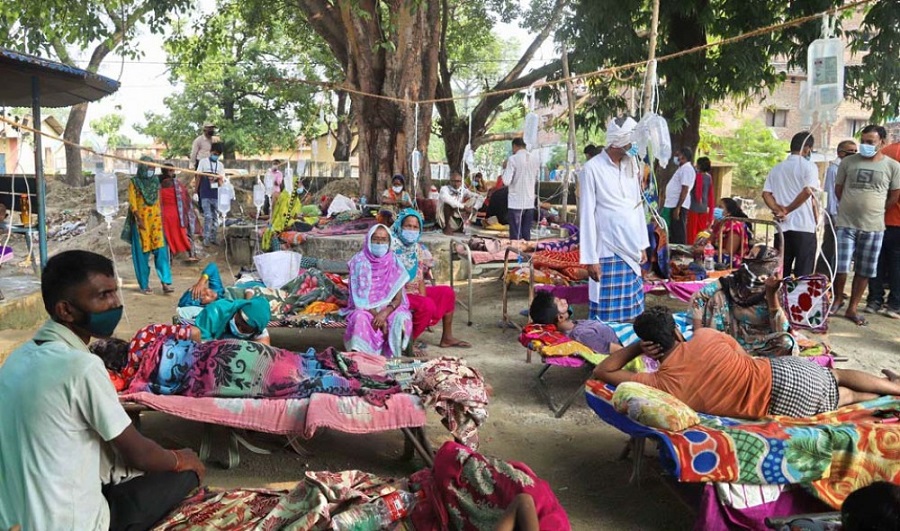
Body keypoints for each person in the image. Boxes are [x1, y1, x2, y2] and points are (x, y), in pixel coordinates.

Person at [0, 250, 204, 531]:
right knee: (182, 472)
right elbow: (139, 455)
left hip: (15, 520)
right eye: (102, 296)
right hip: (67, 524)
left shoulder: (17, 358)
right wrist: (181, 458)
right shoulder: (81, 367)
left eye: (115, 292)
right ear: (65, 310)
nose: (115, 304)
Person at [593, 305, 900, 419]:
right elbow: (743, 357)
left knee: (844, 397)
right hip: (781, 371)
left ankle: (890, 392)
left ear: (650, 348)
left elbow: (602, 370)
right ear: (676, 330)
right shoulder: (707, 336)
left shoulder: (661, 383)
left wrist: (636, 346)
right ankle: (892, 387)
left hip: (778, 402)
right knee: (839, 376)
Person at [578, 117, 650, 322]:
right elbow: (587, 215)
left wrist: (642, 244)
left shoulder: (632, 166)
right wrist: (590, 258)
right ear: (618, 142)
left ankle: (629, 348)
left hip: (632, 247)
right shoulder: (592, 169)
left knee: (633, 310)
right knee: (606, 315)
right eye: (631, 141)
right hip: (606, 249)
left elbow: (638, 206)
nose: (634, 145)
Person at [831, 124, 900, 326]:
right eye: (863, 141)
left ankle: (852, 308)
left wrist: (876, 209)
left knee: (865, 269)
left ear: (882, 142)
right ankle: (837, 298)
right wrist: (852, 205)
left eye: (870, 142)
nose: (865, 145)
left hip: (873, 226)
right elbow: (838, 190)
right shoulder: (848, 162)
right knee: (841, 266)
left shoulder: (892, 166)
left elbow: (895, 195)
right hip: (846, 223)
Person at [690, 245, 795, 357]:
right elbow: (698, 297)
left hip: (762, 344)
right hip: (733, 342)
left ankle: (756, 366)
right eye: (748, 254)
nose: (746, 258)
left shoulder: (777, 288)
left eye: (752, 256)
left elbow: (781, 330)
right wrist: (698, 335)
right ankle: (718, 353)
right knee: (717, 297)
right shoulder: (734, 281)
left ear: (763, 264)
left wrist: (771, 295)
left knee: (787, 342)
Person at [391, 208, 470, 352]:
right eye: (408, 226)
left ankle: (447, 337)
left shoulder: (417, 248)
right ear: (400, 226)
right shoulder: (391, 248)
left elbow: (420, 277)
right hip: (396, 295)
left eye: (415, 227)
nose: (412, 230)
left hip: (414, 291)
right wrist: (422, 301)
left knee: (447, 292)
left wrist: (422, 296)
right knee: (426, 305)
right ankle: (407, 343)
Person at [343, 224, 412, 358]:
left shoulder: (394, 262)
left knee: (400, 319)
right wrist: (377, 316)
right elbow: (360, 299)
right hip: (366, 308)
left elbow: (397, 299)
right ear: (369, 240)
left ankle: (392, 357)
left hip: (390, 308)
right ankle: (361, 358)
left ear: (389, 242)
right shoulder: (359, 261)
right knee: (359, 317)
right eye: (375, 239)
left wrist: (384, 314)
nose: (380, 242)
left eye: (384, 239)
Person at [763, 131, 820, 278]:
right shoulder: (809, 167)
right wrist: (787, 209)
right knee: (803, 272)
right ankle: (798, 300)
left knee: (781, 271)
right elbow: (808, 191)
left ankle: (779, 300)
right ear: (807, 148)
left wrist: (777, 210)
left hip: (782, 227)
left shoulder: (777, 168)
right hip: (803, 226)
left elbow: (766, 194)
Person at [126, 156, 174, 295]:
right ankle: (144, 285)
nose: (152, 171)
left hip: (156, 222)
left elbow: (158, 201)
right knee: (142, 254)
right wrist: (138, 218)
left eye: (153, 168)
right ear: (143, 168)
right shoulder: (134, 182)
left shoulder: (154, 181)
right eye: (149, 168)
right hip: (141, 222)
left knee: (161, 252)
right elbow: (132, 201)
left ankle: (165, 282)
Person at [529, 291, 622, 354]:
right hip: (626, 342)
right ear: (560, 317)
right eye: (561, 304)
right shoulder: (582, 334)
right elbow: (613, 349)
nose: (564, 301)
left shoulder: (575, 324)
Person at [819, 140, 858, 276]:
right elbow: (831, 195)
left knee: (839, 253)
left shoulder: (848, 168)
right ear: (841, 153)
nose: (853, 154)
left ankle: (833, 284)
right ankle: (821, 282)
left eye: (855, 151)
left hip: (846, 218)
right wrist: (834, 218)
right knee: (829, 250)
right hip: (835, 218)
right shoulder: (834, 169)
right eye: (850, 152)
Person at [158, 161, 199, 261]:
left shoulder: (158, 184)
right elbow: (184, 197)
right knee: (184, 233)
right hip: (177, 214)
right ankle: (191, 254)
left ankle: (169, 258)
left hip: (164, 214)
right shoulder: (176, 184)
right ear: (166, 171)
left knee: (168, 236)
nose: (173, 172)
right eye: (171, 170)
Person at [866, 199, 900, 319]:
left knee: (876, 262)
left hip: (878, 220)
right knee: (896, 266)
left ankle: (874, 300)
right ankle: (894, 304)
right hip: (893, 222)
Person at [503, 137, 541, 241]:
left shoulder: (512, 159)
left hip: (515, 202)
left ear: (514, 146)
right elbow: (537, 178)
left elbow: (506, 181)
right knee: (526, 233)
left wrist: (504, 169)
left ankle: (515, 255)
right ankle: (526, 256)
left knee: (516, 235)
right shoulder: (535, 159)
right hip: (529, 201)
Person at [194, 296, 272, 345]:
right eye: (237, 324)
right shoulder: (215, 312)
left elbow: (264, 351)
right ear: (237, 311)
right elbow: (202, 348)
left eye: (244, 330)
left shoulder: (258, 325)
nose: (239, 330)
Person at [663, 147, 696, 245]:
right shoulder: (682, 169)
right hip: (672, 203)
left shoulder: (687, 169)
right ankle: (674, 252)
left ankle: (680, 254)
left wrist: (678, 208)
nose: (676, 157)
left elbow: (685, 189)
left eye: (678, 155)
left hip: (678, 205)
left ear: (684, 157)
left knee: (678, 231)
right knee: (673, 230)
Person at [195, 142, 226, 247]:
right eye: (214, 153)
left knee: (216, 217)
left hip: (216, 194)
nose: (216, 156)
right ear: (211, 151)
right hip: (205, 193)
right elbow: (198, 176)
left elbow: (222, 181)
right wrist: (196, 191)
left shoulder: (220, 165)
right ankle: (206, 238)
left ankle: (213, 238)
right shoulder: (203, 162)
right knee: (208, 216)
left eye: (218, 154)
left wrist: (218, 180)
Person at [710, 197, 752, 266]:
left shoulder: (734, 226)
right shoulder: (719, 224)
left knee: (712, 257)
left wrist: (708, 251)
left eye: (720, 207)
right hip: (719, 253)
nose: (716, 209)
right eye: (717, 206)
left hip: (733, 258)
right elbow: (709, 241)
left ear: (729, 213)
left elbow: (729, 251)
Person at [686, 156, 714, 245]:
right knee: (701, 232)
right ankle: (699, 247)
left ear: (699, 165)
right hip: (704, 208)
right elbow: (710, 195)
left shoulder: (694, 175)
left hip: (693, 207)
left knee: (691, 232)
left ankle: (691, 248)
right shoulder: (709, 177)